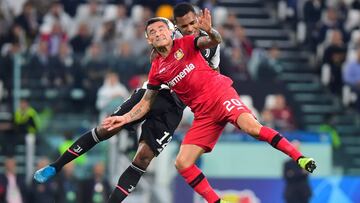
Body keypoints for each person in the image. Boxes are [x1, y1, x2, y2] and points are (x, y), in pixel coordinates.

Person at [102, 10, 317, 203]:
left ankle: (299, 157)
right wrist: (125, 118)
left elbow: (213, 41)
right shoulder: (157, 70)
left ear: (170, 32)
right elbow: (146, 102)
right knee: (182, 163)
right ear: (149, 39)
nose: (158, 33)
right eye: (152, 31)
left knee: (252, 128)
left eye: (161, 28)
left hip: (220, 95)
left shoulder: (185, 44)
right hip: (203, 114)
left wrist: (210, 31)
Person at [34, 3, 221, 203]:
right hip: (150, 94)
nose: (190, 29)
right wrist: (125, 117)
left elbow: (214, 65)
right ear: (176, 29)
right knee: (107, 128)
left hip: (174, 107)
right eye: (184, 26)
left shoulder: (207, 44)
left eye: (193, 24)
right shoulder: (164, 52)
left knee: (143, 158)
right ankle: (56, 165)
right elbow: (149, 96)